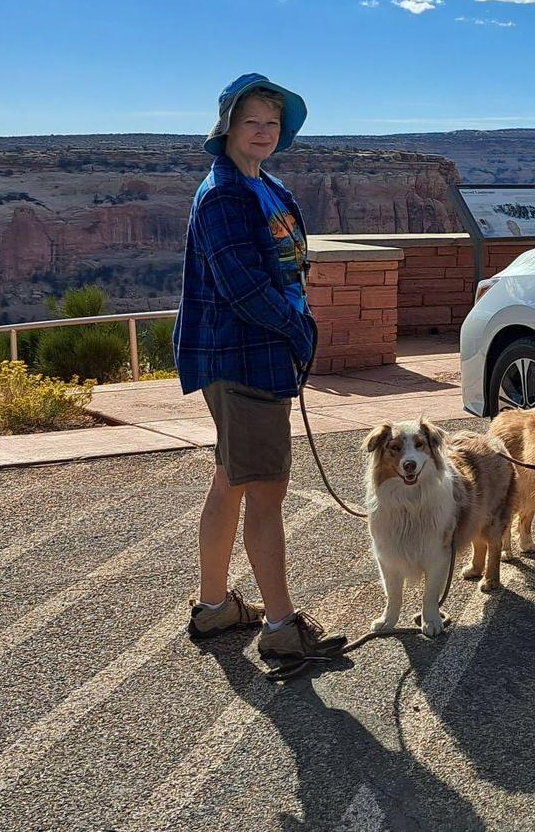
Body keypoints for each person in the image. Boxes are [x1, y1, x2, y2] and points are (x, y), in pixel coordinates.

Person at [175, 72, 344, 671]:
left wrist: (299, 325)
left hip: (255, 353)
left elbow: (288, 269)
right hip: (245, 356)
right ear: (227, 127)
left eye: (273, 123)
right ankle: (279, 627)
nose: (264, 132)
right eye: (253, 122)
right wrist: (299, 330)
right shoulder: (224, 194)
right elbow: (242, 286)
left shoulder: (265, 185)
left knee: (232, 479)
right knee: (267, 492)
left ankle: (215, 606)